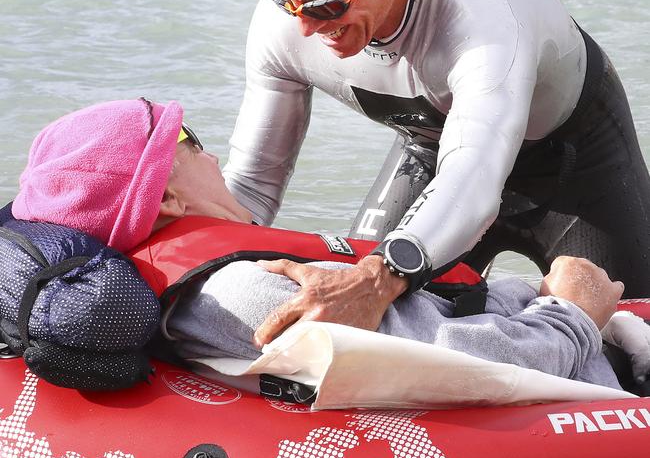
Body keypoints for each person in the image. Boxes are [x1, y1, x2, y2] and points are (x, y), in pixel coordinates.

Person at [223, 0, 650, 347]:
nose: (307, 27)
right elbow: (253, 186)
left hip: (577, 163)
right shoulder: (286, 23)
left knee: (632, 348)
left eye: (330, 5)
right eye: (287, 2)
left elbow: (474, 176)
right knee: (366, 324)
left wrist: (378, 280)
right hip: (434, 151)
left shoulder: (482, 11)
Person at [7, 98, 650, 392]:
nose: (210, 152)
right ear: (167, 200)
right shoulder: (241, 293)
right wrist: (572, 313)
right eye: (189, 142)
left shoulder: (207, 276)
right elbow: (459, 369)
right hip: (586, 368)